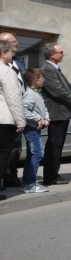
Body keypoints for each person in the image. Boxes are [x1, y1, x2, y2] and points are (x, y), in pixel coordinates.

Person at [40, 42, 71, 185]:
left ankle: (53, 174)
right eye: (60, 52)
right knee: (54, 145)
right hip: (56, 112)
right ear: (52, 54)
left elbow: (65, 89)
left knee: (58, 144)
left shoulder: (55, 68)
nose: (63, 54)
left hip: (61, 112)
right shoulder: (48, 69)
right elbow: (58, 91)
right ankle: (51, 176)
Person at [0, 39, 25, 199]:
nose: (12, 56)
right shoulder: (6, 70)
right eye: (11, 53)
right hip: (3, 119)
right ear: (3, 53)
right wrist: (21, 121)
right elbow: (13, 98)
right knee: (2, 154)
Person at [21, 69, 50, 193]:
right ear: (35, 81)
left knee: (33, 154)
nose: (43, 81)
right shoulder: (29, 94)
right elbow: (24, 110)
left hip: (35, 127)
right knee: (37, 153)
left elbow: (43, 108)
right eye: (42, 79)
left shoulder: (36, 92)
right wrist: (38, 118)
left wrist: (46, 118)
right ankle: (29, 184)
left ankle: (27, 182)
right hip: (31, 128)